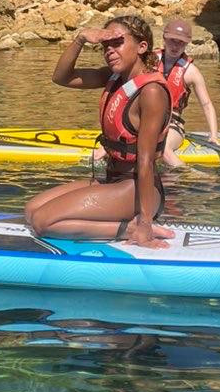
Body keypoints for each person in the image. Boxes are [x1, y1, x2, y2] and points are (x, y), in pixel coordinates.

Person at [24, 15, 174, 245]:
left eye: (117, 43)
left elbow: (145, 161)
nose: (109, 51)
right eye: (105, 46)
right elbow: (61, 77)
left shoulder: (151, 92)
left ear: (142, 46)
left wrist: (145, 223)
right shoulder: (113, 78)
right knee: (31, 210)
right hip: (113, 180)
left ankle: (130, 229)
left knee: (43, 222)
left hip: (139, 190)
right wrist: (81, 39)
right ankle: (125, 225)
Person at [158, 16, 220, 168]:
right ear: (164, 39)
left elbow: (206, 104)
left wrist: (213, 135)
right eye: (172, 40)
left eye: (181, 43)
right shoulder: (148, 61)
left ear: (186, 44)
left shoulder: (191, 72)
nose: (175, 46)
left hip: (173, 125)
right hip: (147, 121)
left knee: (163, 149)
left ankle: (190, 176)